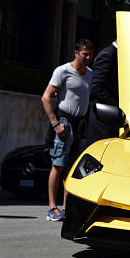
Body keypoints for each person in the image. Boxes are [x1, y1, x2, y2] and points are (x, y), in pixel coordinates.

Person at [41, 39, 94, 221]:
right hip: (64, 122)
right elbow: (46, 97)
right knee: (58, 165)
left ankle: (67, 207)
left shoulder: (90, 74)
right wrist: (55, 123)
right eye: (84, 54)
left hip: (81, 124)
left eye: (90, 54)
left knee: (73, 168)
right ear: (76, 53)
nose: (87, 57)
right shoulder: (63, 71)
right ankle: (52, 207)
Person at [85, 40, 118, 145]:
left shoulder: (115, 55)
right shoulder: (108, 55)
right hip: (103, 121)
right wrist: (116, 105)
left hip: (110, 120)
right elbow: (96, 87)